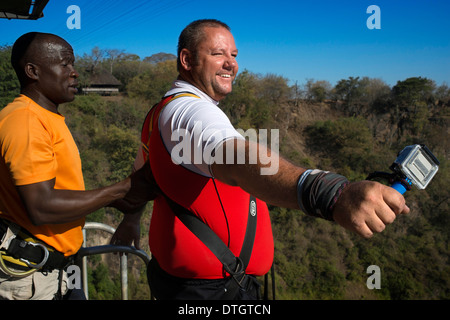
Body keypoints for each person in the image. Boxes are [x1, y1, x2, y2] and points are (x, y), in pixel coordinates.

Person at [111, 19, 409, 300]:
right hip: (209, 292)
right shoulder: (189, 113)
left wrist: (130, 221)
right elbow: (235, 156)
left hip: (190, 284)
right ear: (187, 61)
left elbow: (142, 178)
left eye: (234, 54)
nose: (232, 63)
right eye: (218, 54)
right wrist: (327, 192)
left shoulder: (159, 113)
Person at [0, 32, 152, 300]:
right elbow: (41, 207)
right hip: (32, 281)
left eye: (73, 64)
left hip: (61, 271)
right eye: (65, 64)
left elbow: (60, 189)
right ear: (33, 71)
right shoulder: (25, 121)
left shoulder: (48, 118)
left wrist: (125, 207)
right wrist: (117, 191)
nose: (75, 73)